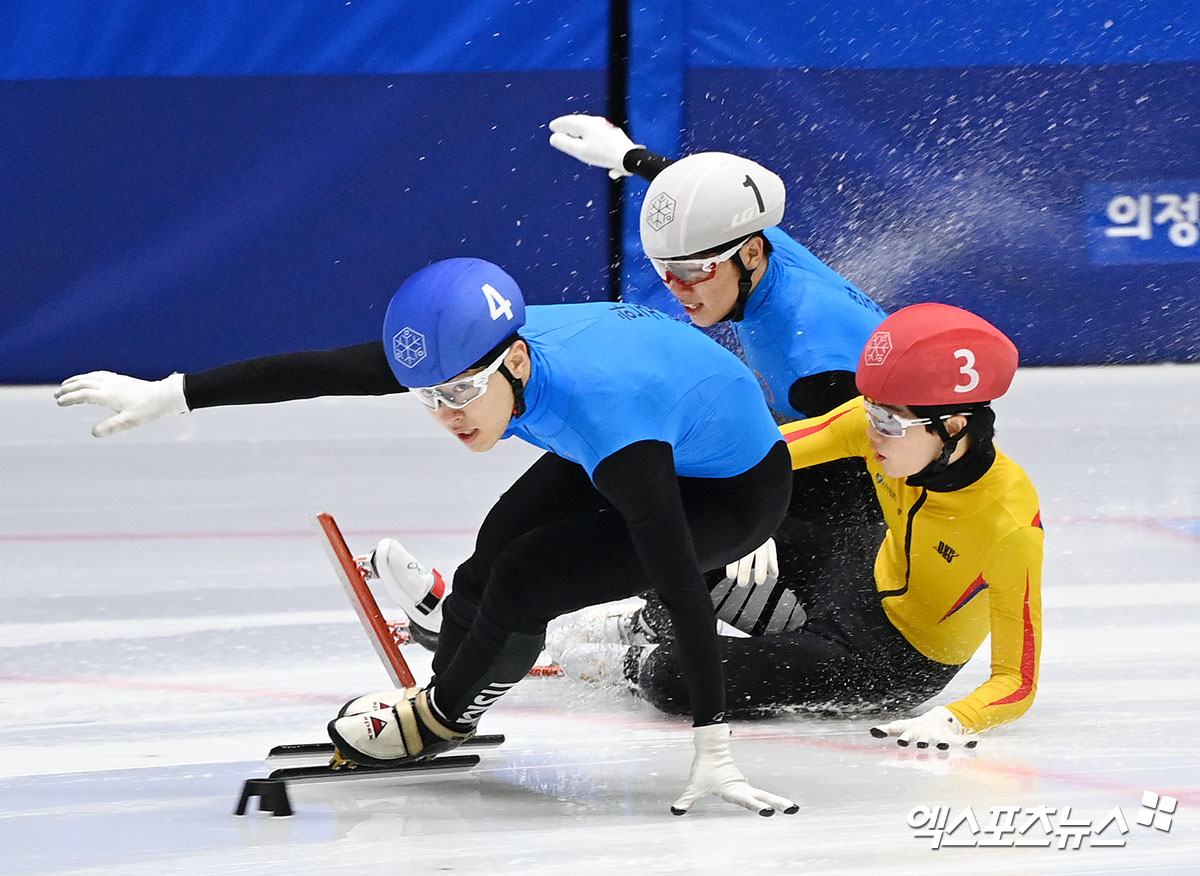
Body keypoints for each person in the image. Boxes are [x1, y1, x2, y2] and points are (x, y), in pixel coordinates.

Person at [55, 257, 799, 816]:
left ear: (512, 358)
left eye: (461, 396)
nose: (448, 414)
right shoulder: (469, 348)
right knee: (495, 549)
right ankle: (466, 665)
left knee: (528, 575)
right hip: (664, 425)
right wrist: (173, 393)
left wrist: (713, 743)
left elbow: (675, 581)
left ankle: (441, 716)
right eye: (430, 398)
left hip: (729, 491)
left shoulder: (609, 424)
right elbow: (320, 371)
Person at [551, 302, 1044, 751]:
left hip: (891, 658)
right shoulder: (881, 423)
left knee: (677, 680)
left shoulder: (1008, 526)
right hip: (857, 567)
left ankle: (633, 663)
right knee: (707, 534)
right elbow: (756, 451)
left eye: (888, 424)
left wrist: (957, 719)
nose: (871, 431)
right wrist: (747, 513)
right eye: (869, 411)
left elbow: (1016, 681)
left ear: (954, 427)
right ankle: (649, 622)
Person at [545, 114, 889, 671]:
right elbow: (714, 209)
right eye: (665, 271)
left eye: (694, 272)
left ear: (749, 256)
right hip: (818, 445)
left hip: (863, 527)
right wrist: (630, 156)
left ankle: (666, 615)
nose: (679, 289)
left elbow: (878, 475)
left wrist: (759, 523)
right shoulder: (759, 250)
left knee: (668, 482)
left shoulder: (813, 358)